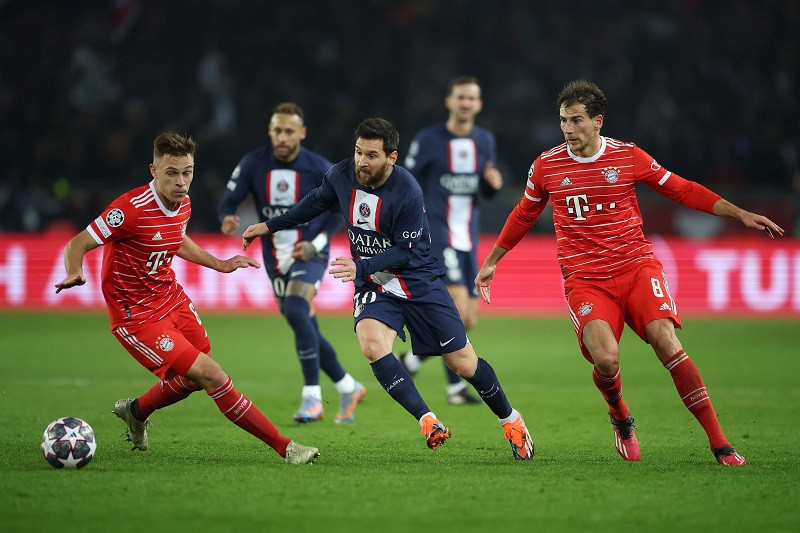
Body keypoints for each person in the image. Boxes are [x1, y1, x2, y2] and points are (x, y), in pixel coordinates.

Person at [476, 80, 785, 466]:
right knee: (606, 360)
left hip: (636, 267)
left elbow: (683, 190)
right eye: (563, 121)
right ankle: (620, 415)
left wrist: (739, 213)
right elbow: (524, 213)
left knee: (667, 343)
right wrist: (492, 261)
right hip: (586, 279)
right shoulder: (546, 165)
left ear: (597, 121)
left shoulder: (627, 156)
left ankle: (720, 443)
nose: (568, 129)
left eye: (576, 120)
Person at [242, 117, 534, 460]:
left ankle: (511, 421)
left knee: (463, 364)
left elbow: (404, 251)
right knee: (371, 344)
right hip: (376, 285)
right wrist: (270, 225)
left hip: (418, 282)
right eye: (358, 152)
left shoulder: (407, 190)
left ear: (391, 158)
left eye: (371, 155)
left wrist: (360, 266)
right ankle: (428, 420)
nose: (361, 162)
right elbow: (315, 202)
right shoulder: (342, 174)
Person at [55, 132, 320, 465]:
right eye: (172, 173)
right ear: (154, 171)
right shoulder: (130, 209)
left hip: (172, 299)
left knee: (195, 377)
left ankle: (136, 411)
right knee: (212, 374)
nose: (181, 182)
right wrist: (74, 270)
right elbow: (77, 243)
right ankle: (286, 447)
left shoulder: (183, 202)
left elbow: (176, 239)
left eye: (187, 172)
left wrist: (220, 264)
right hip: (136, 316)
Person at [218, 102, 366, 424]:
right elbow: (229, 198)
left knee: (298, 309)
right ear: (270, 132)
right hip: (274, 257)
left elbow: (341, 209)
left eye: (289, 131)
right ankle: (348, 385)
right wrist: (226, 215)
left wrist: (317, 244)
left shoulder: (319, 167)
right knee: (303, 322)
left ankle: (312, 399)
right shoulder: (253, 163)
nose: (283, 137)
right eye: (277, 131)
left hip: (310, 251)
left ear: (302, 133)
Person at [400, 76, 502, 406]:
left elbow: (483, 189)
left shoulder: (484, 140)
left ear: (478, 104)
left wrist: (491, 185)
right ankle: (456, 388)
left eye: (471, 98)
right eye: (461, 97)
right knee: (455, 309)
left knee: (468, 318)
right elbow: (406, 180)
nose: (466, 103)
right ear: (449, 101)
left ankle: (412, 360)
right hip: (437, 234)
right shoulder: (429, 139)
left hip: (468, 237)